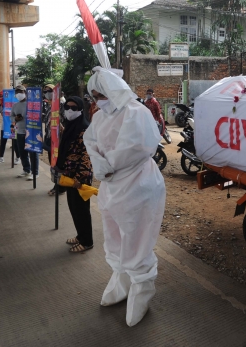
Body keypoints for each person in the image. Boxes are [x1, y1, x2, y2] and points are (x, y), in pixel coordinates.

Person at [84, 67, 166, 327]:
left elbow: (137, 147)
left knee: (137, 236)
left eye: (101, 94)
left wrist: (109, 164)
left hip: (137, 185)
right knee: (114, 235)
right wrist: (99, 163)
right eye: (94, 96)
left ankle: (141, 289)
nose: (98, 100)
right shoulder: (99, 117)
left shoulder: (136, 112)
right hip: (110, 186)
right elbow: (91, 141)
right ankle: (120, 281)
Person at [54, 96, 94, 253]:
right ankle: (80, 235)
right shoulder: (70, 126)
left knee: (82, 210)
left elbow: (86, 157)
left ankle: (87, 241)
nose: (70, 111)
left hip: (79, 178)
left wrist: (78, 180)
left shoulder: (84, 129)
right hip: (68, 176)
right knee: (73, 208)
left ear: (81, 110)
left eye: (74, 108)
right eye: (67, 107)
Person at [13, 85, 38, 180]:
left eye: (21, 92)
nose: (19, 94)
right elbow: (11, 116)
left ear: (25, 93)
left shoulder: (31, 104)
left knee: (32, 152)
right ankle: (26, 169)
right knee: (22, 152)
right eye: (17, 92)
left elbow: (37, 116)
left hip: (31, 132)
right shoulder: (15, 105)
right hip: (19, 132)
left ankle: (35, 172)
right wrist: (15, 118)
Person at [0, 92, 20, 165]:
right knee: (3, 142)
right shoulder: (1, 106)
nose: (1, 98)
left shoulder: (14, 105)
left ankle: (18, 158)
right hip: (4, 127)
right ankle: (1, 157)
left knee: (15, 143)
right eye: (0, 97)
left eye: (2, 96)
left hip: (13, 126)